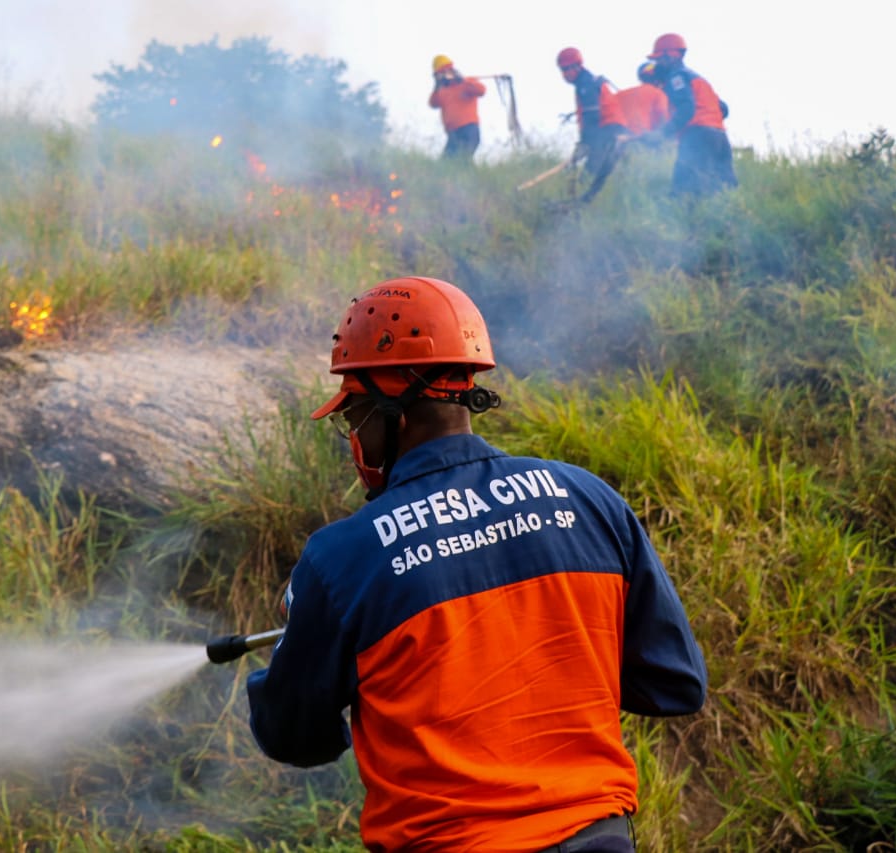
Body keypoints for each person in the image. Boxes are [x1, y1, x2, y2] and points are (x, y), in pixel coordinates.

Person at [246, 276, 708, 852]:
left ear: (394, 410)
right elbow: (674, 684)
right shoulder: (589, 500)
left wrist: (293, 668)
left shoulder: (342, 557)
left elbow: (292, 734)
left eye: (355, 413)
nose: (353, 435)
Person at [645, 33, 738, 196]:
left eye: (659, 59)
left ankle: (687, 220)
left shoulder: (676, 77)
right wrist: (709, 123)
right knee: (723, 190)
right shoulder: (698, 79)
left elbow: (687, 108)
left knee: (683, 191)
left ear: (670, 56)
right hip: (720, 138)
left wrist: (664, 133)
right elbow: (723, 108)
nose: (657, 64)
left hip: (697, 137)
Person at [556, 47, 629, 202]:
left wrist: (585, 145)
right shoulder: (584, 83)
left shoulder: (586, 85)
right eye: (562, 70)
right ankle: (584, 204)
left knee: (589, 176)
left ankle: (580, 205)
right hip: (608, 132)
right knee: (600, 177)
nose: (564, 74)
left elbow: (592, 119)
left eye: (567, 69)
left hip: (609, 132)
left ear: (577, 66)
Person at [428, 54, 487, 162]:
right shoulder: (442, 91)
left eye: (446, 72)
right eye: (440, 74)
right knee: (446, 163)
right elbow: (433, 103)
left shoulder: (466, 83)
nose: (444, 75)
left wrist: (463, 80)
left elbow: (482, 91)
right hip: (453, 133)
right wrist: (436, 86)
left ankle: (475, 178)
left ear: (453, 71)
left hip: (469, 130)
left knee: (463, 160)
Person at [614, 62, 670, 138]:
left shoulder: (619, 94)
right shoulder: (658, 94)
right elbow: (662, 119)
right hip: (641, 140)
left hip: (616, 140)